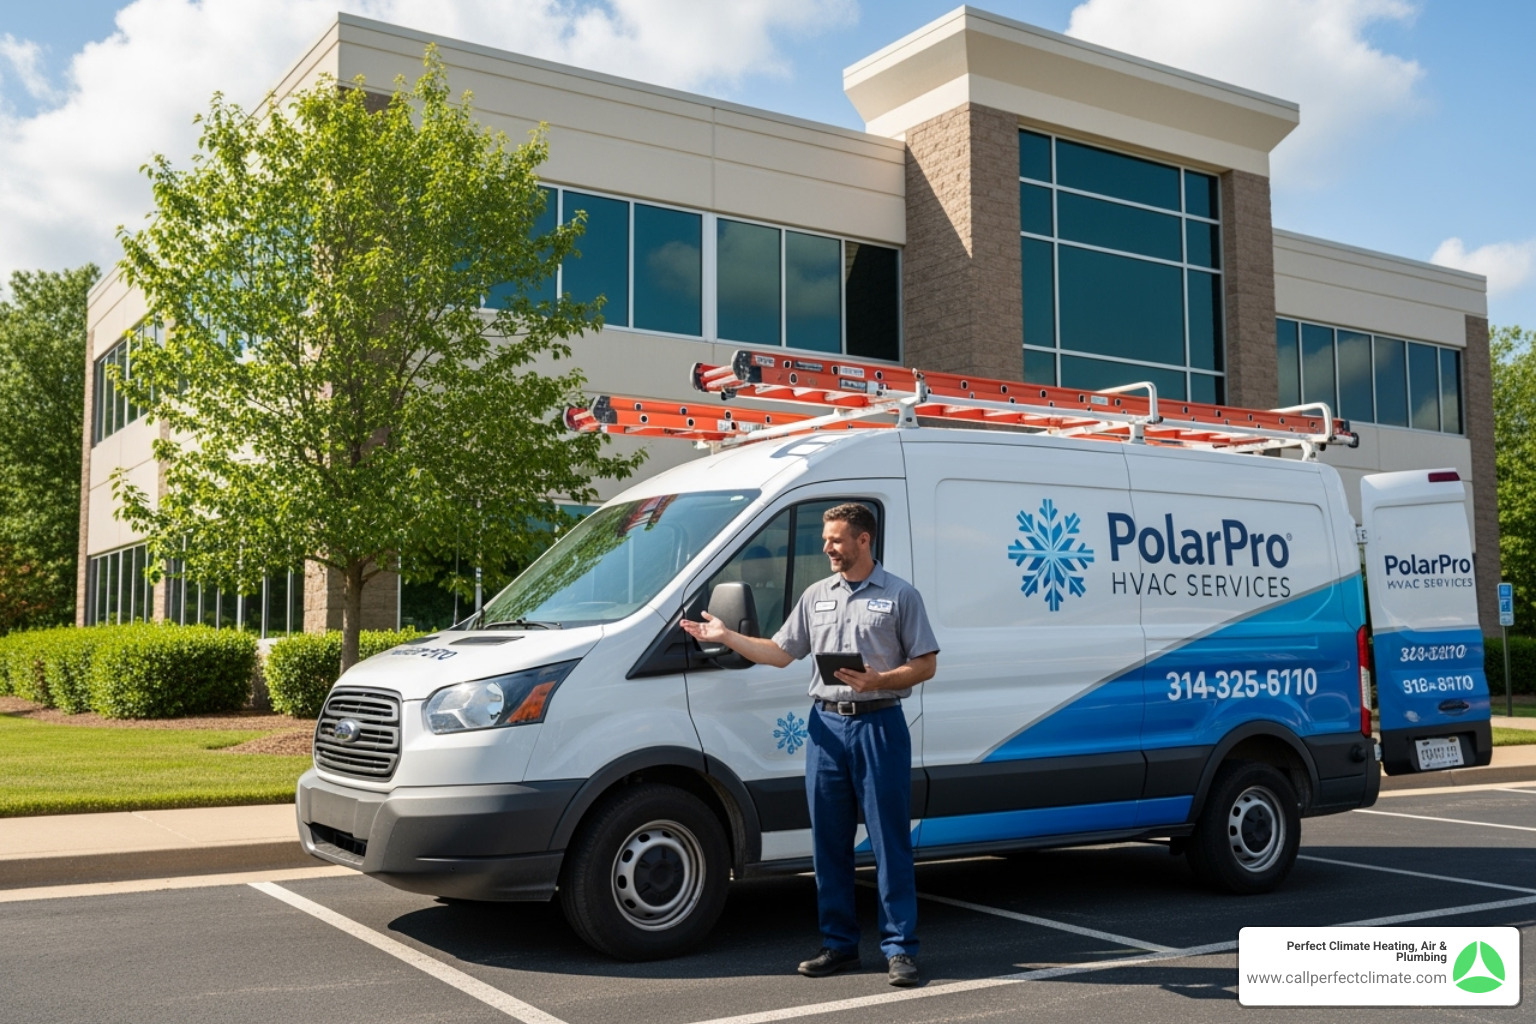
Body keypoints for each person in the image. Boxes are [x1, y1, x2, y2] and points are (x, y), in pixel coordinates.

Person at [681, 502, 938, 987]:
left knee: (889, 841)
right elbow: (780, 653)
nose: (827, 548)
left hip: (879, 725)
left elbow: (926, 664)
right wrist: (726, 636)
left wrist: (880, 679)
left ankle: (900, 949)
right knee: (829, 842)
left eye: (836, 539)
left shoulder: (901, 595)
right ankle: (838, 945)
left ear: (863, 540)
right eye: (826, 539)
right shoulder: (816, 595)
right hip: (825, 728)